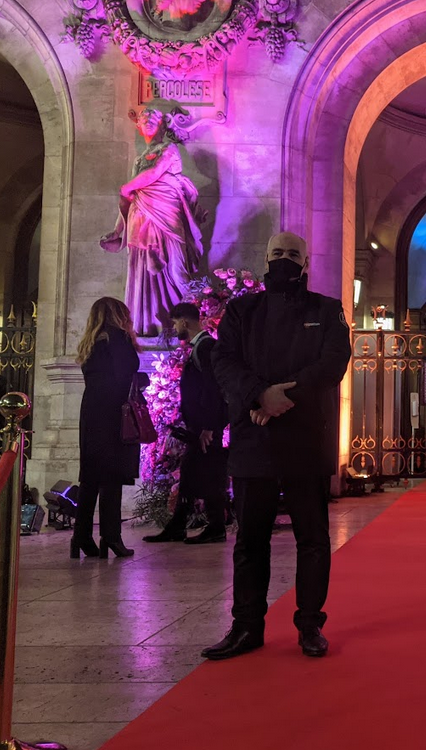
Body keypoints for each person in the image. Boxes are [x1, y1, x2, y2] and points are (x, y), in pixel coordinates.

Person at [203, 231, 352, 660]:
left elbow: (332, 363)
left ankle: (310, 625)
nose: (284, 259)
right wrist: (258, 395)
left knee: (312, 538)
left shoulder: (326, 309)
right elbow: (223, 360)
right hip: (255, 437)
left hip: (305, 436)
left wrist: (281, 398)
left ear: (305, 263)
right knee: (250, 541)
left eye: (293, 254)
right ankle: (246, 626)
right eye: (277, 253)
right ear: (266, 258)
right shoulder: (241, 310)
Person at [100, 106, 204, 337]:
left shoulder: (169, 148)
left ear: (163, 124)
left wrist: (126, 187)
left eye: (153, 116)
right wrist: (117, 231)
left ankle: (186, 325)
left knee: (176, 268)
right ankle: (149, 325)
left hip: (167, 216)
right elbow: (129, 199)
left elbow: (154, 173)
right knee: (143, 270)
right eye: (143, 117)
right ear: (138, 125)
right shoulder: (139, 160)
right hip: (140, 218)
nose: (147, 119)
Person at [144, 302, 229, 545]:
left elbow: (213, 388)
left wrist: (209, 427)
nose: (174, 328)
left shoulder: (206, 346)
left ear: (184, 321)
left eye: (174, 323)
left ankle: (214, 527)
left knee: (209, 475)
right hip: (199, 428)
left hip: (205, 429)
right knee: (192, 474)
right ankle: (180, 526)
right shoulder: (200, 347)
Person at [74, 297, 143, 559]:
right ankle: (111, 537)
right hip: (114, 413)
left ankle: (81, 537)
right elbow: (125, 376)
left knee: (91, 477)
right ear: (118, 315)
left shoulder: (91, 342)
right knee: (112, 476)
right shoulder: (118, 338)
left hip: (91, 412)